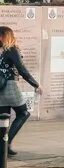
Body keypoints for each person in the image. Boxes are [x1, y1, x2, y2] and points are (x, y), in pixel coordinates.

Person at [0, 26, 41, 157]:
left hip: (0, 87)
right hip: (10, 86)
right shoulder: (12, 50)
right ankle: (6, 143)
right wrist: (35, 84)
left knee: (3, 118)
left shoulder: (2, 51)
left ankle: (3, 147)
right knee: (23, 113)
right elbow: (22, 69)